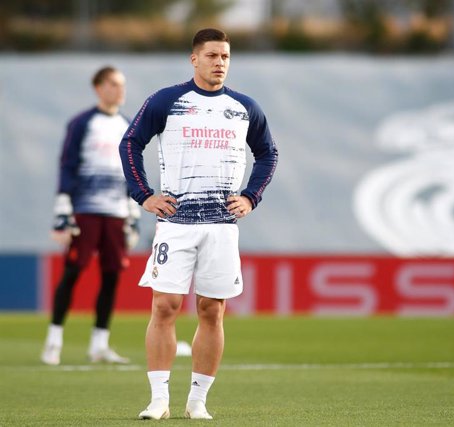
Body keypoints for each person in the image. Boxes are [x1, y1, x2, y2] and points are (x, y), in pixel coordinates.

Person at [119, 28, 278, 420]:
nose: (219, 63)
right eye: (211, 56)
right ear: (194, 59)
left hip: (222, 225)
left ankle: (198, 401)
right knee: (165, 305)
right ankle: (159, 400)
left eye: (225, 56)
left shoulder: (244, 107)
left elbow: (268, 154)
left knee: (212, 311)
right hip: (177, 221)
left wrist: (250, 196)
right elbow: (130, 143)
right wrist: (144, 195)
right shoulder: (167, 100)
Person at [42, 66, 139, 366]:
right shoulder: (83, 123)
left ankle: (100, 344)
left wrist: (133, 213)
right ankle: (53, 341)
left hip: (116, 213)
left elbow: (132, 170)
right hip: (85, 210)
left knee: (112, 276)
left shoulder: (127, 125)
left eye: (121, 84)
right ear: (98, 88)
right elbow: (67, 165)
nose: (119, 90)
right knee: (73, 272)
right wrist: (63, 209)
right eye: (112, 84)